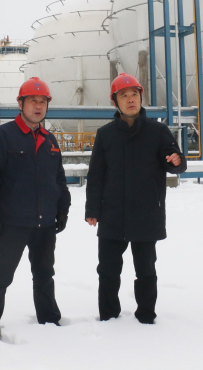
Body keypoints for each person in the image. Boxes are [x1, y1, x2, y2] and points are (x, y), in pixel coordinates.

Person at [85, 73, 187, 324]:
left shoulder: (158, 131)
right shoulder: (105, 134)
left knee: (146, 269)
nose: (130, 99)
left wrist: (177, 160)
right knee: (107, 270)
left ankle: (146, 314)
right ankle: (109, 314)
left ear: (141, 98)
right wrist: (92, 209)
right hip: (112, 213)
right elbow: (96, 174)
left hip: (146, 212)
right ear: (115, 102)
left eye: (134, 94)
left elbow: (174, 161)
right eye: (124, 95)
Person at [0, 77, 71, 340]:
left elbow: (58, 179)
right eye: (33, 101)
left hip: (45, 223)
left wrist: (62, 209)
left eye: (42, 102)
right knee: (1, 276)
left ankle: (49, 321)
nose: (38, 106)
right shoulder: (2, 136)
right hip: (12, 223)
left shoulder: (50, 140)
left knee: (45, 275)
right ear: (21, 104)